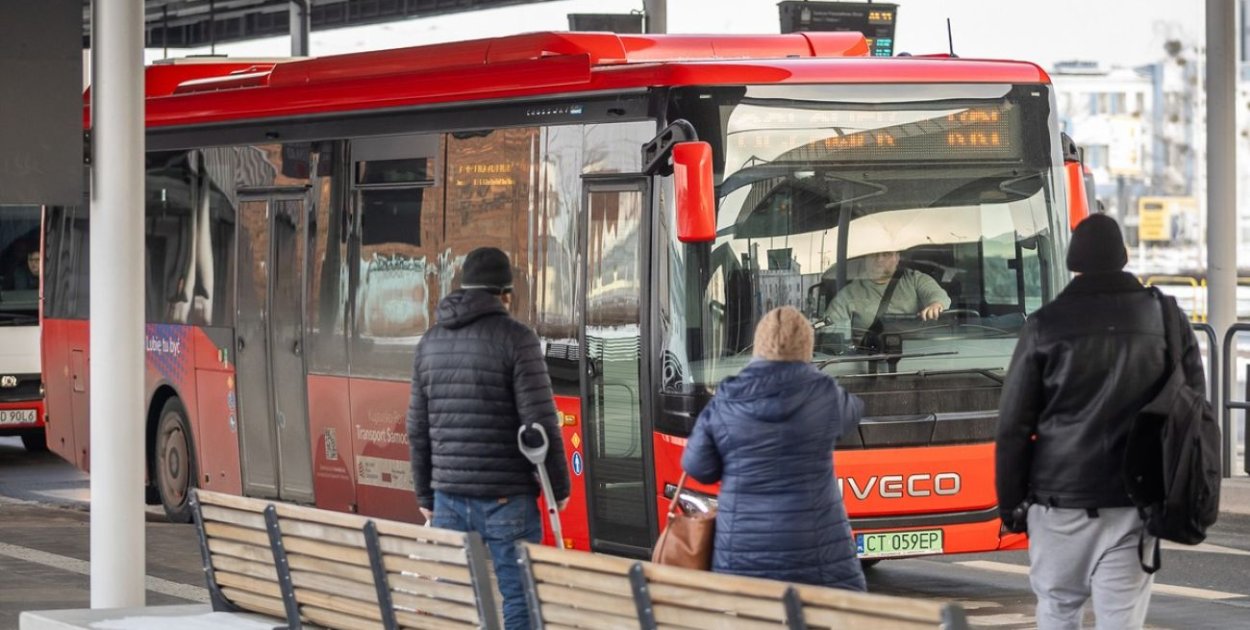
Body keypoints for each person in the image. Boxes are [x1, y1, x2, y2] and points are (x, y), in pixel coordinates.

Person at [996, 214, 1205, 630]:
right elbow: (1194, 405)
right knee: (1120, 620)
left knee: (1058, 609)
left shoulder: (1044, 325)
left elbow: (1014, 427)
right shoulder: (1165, 318)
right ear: (1124, 256)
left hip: (1059, 501)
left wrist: (1011, 504)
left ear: (1073, 260)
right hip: (1135, 501)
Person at [406, 246, 570, 630]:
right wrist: (559, 489)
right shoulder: (517, 339)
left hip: (448, 498)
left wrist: (426, 496)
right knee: (519, 597)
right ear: (505, 294)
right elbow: (540, 425)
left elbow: (417, 428)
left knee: (457, 600)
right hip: (506, 499)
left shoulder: (430, 341)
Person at [682, 306, 867, 591]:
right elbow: (853, 413)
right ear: (807, 346)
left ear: (758, 346)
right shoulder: (825, 393)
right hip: (818, 552)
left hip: (742, 553)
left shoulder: (726, 399)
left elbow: (699, 468)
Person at [822, 250, 950, 347]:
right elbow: (831, 333)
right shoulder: (848, 294)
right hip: (867, 360)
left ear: (897, 257)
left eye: (886, 254)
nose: (879, 259)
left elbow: (937, 295)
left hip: (919, 356)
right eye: (874, 254)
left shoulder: (914, 279)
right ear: (865, 258)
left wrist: (935, 305)